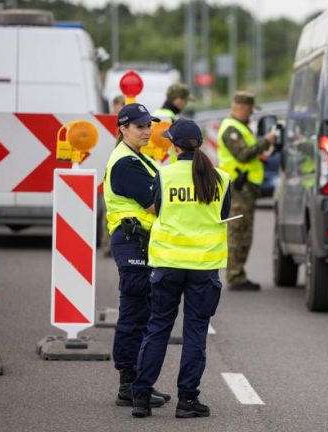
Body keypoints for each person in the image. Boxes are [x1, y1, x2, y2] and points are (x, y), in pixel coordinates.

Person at [130, 118, 231, 419]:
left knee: (157, 328)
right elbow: (223, 215)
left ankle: (141, 398)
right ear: (199, 144)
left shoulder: (165, 174)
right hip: (204, 266)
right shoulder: (221, 178)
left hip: (168, 264)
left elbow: (158, 210)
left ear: (173, 146)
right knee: (196, 332)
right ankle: (187, 401)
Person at [103, 103, 171, 408]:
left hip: (141, 241)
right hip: (132, 241)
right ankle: (128, 385)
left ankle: (139, 383)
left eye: (148, 126)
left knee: (142, 309)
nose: (147, 131)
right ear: (123, 128)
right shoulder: (126, 164)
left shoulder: (138, 158)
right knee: (134, 311)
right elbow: (155, 204)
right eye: (140, 126)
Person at [217, 91, 276, 291]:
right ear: (241, 107)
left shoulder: (241, 128)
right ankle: (234, 275)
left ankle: (238, 273)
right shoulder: (231, 129)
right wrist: (266, 141)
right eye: (250, 109)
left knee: (244, 232)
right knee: (237, 231)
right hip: (238, 188)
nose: (251, 113)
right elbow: (242, 155)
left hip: (246, 188)